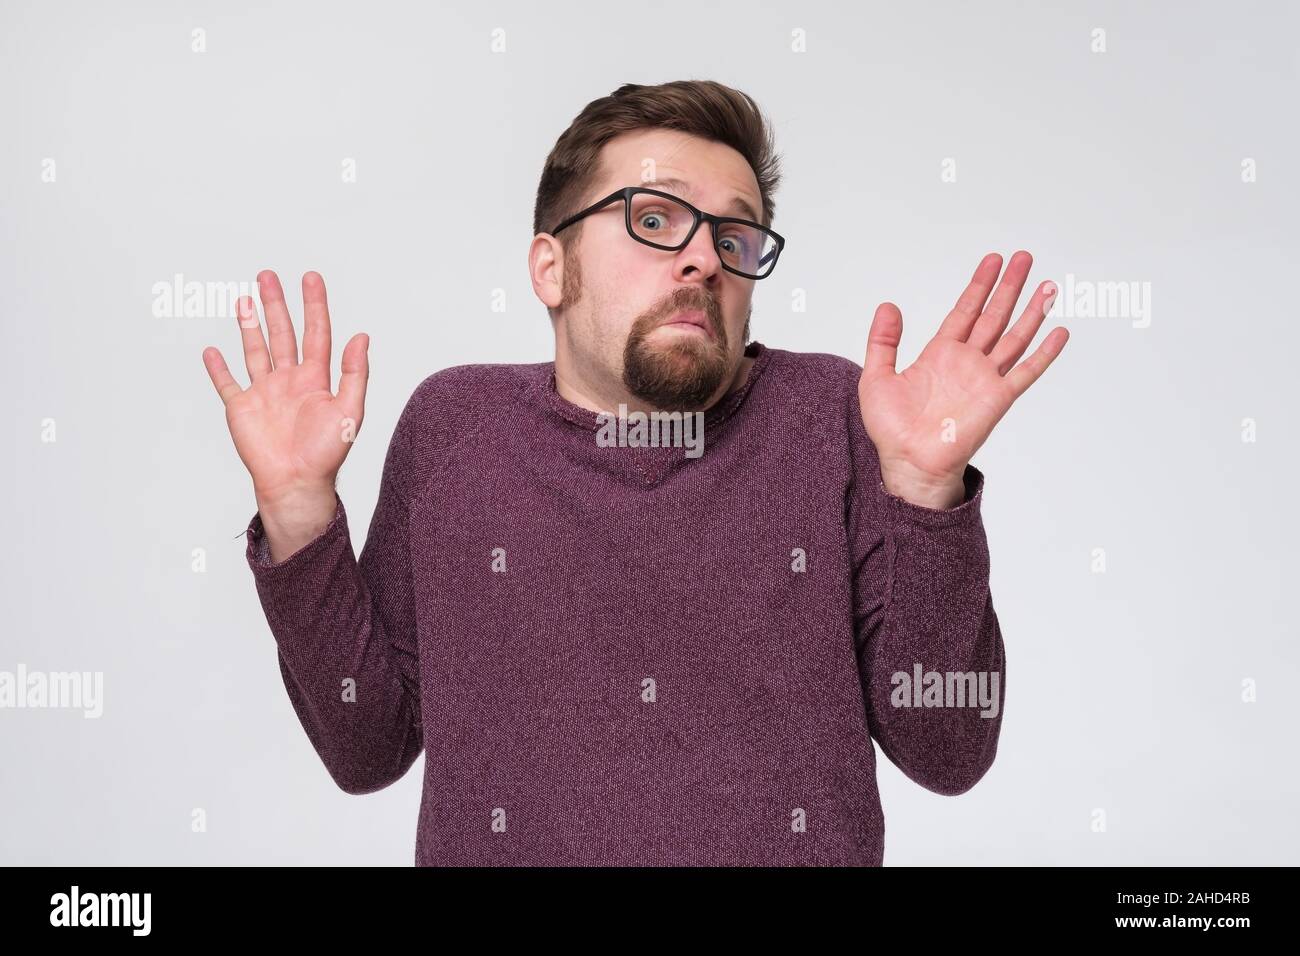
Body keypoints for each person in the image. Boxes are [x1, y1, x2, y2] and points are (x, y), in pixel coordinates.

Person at [201, 79, 1068, 866]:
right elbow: (365, 750)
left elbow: (948, 750)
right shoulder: (456, 429)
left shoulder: (834, 416)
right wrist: (297, 511)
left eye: (735, 236)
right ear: (552, 267)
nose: (702, 259)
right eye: (654, 219)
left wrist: (924, 496)